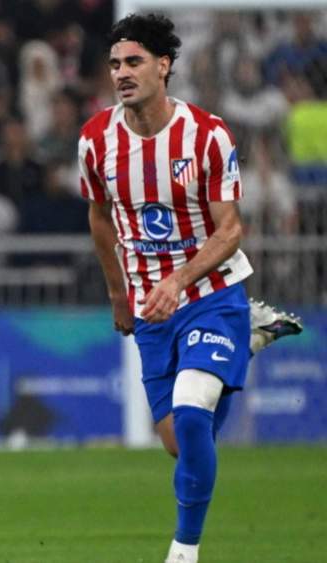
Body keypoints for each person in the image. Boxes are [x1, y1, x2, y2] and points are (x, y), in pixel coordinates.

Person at [79, 14, 302, 563]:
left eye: (133, 62)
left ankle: (184, 551)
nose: (122, 74)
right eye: (114, 65)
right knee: (180, 441)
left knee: (195, 409)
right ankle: (247, 340)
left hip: (210, 291)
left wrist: (180, 279)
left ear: (164, 65)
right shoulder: (95, 140)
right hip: (150, 306)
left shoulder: (207, 134)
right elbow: (100, 217)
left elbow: (231, 229)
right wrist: (117, 294)